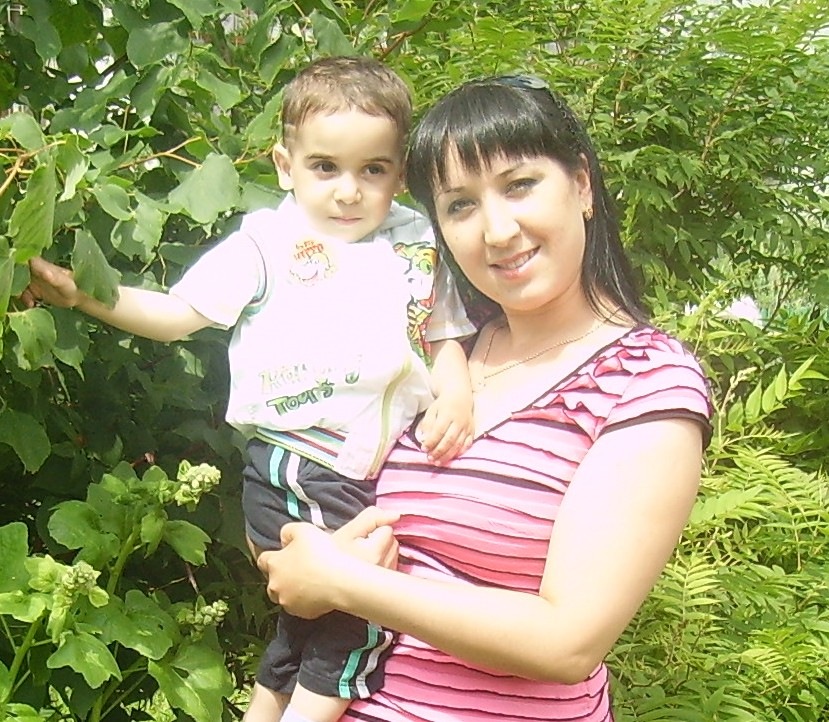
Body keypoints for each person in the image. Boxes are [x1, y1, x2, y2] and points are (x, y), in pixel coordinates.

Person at [22, 57, 476, 722]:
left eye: (372, 170)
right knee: (361, 617)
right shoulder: (269, 243)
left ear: (399, 173)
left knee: (307, 620)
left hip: (358, 465)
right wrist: (86, 295)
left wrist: (456, 394)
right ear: (285, 166)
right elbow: (177, 314)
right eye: (326, 167)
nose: (349, 191)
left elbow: (442, 333)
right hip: (305, 456)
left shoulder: (416, 243)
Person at [255, 74, 713, 722]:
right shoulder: (433, 357)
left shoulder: (644, 382)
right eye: (460, 205)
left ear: (582, 185)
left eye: (519, 185)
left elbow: (567, 641)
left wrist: (343, 581)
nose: (497, 230)